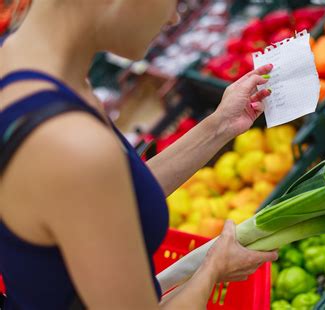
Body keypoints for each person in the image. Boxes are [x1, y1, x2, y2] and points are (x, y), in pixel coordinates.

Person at [0, 1, 277, 309]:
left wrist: (220, 125)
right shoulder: (72, 144)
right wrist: (213, 269)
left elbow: (111, 199)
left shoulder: (32, 73)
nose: (173, 17)